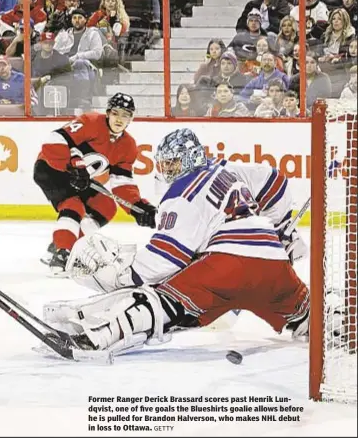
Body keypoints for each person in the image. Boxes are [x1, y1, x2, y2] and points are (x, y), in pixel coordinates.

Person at [42, 128, 310, 355]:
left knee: (159, 300)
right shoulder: (227, 168)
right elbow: (275, 182)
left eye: (174, 163)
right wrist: (281, 227)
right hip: (274, 261)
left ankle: (97, 338)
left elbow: (164, 261)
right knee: (304, 311)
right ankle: (337, 326)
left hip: (227, 266)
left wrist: (124, 277)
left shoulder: (181, 195)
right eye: (165, 163)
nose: (168, 169)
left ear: (191, 157)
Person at [33, 93, 157, 276]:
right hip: (52, 167)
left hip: (81, 177)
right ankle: (61, 254)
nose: (119, 119)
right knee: (73, 205)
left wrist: (138, 207)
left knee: (106, 207)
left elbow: (121, 182)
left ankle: (69, 244)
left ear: (131, 118)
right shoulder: (90, 121)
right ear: (107, 113)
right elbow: (55, 138)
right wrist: (74, 164)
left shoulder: (128, 145)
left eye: (125, 115)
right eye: (116, 113)